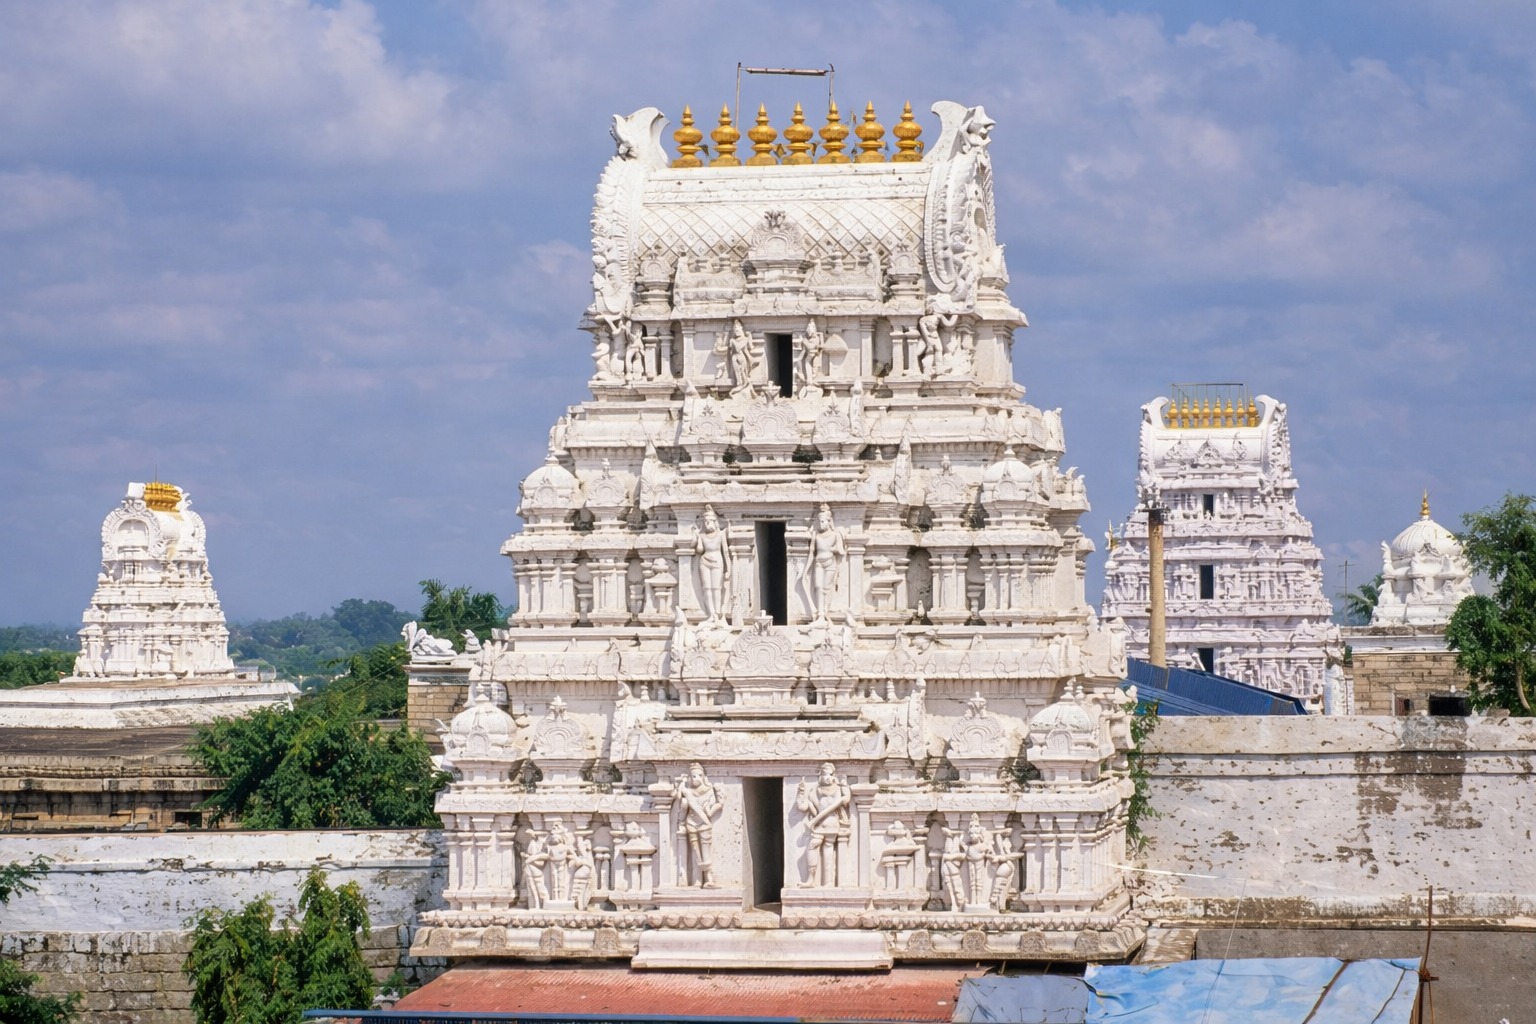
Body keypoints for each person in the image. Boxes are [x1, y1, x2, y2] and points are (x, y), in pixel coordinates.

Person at [796, 763, 852, 887]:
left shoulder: (838, 789)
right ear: (820, 775)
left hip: (832, 823)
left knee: (828, 849)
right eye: (824, 774)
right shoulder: (815, 790)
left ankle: (828, 882)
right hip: (819, 824)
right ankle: (811, 879)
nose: (827, 777)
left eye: (830, 774)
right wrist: (801, 793)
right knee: (812, 845)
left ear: (833, 776)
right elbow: (804, 807)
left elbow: (846, 799)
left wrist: (844, 785)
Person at [674, 763, 724, 887]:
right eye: (693, 776)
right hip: (691, 822)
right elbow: (679, 799)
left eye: (697, 775)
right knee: (695, 852)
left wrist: (710, 810)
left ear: (702, 776)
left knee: (706, 851)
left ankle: (709, 878)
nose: (695, 778)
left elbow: (713, 806)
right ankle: (697, 880)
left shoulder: (709, 790)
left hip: (704, 824)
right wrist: (680, 787)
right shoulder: (687, 791)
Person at [802, 503, 846, 623]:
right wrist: (806, 570)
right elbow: (812, 552)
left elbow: (841, 550)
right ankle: (820, 614)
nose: (821, 524)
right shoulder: (816, 535)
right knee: (818, 587)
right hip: (818, 563)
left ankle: (826, 612)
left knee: (827, 588)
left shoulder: (835, 534)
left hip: (830, 563)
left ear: (829, 521)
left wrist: (834, 549)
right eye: (820, 521)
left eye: (824, 521)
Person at [693, 505, 732, 624]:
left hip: (717, 560)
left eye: (709, 521)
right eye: (705, 522)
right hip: (704, 560)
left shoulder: (721, 534)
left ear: (715, 522)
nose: (707, 524)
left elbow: (725, 551)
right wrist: (697, 535)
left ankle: (719, 613)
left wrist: (728, 568)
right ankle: (711, 613)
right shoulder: (702, 535)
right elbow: (699, 550)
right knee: (707, 588)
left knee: (716, 588)